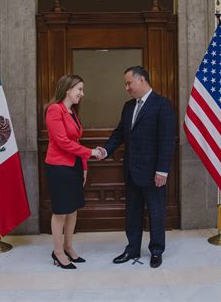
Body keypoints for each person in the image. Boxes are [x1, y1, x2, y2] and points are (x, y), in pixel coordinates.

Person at [97, 66, 175, 268]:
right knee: (133, 212)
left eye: (129, 83)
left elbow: (167, 140)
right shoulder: (128, 107)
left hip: (153, 173)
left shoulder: (162, 104)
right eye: (126, 84)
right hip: (131, 171)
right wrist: (106, 151)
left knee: (156, 212)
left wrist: (162, 170)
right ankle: (132, 249)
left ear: (142, 80)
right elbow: (119, 134)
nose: (126, 87)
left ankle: (156, 251)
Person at [44, 74, 102, 269]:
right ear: (68, 89)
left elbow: (76, 141)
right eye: (79, 89)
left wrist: (84, 166)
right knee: (61, 211)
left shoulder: (71, 112)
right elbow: (62, 142)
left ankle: (68, 247)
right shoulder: (54, 110)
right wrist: (91, 153)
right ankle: (58, 252)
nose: (82, 94)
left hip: (74, 167)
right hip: (59, 167)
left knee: (73, 208)